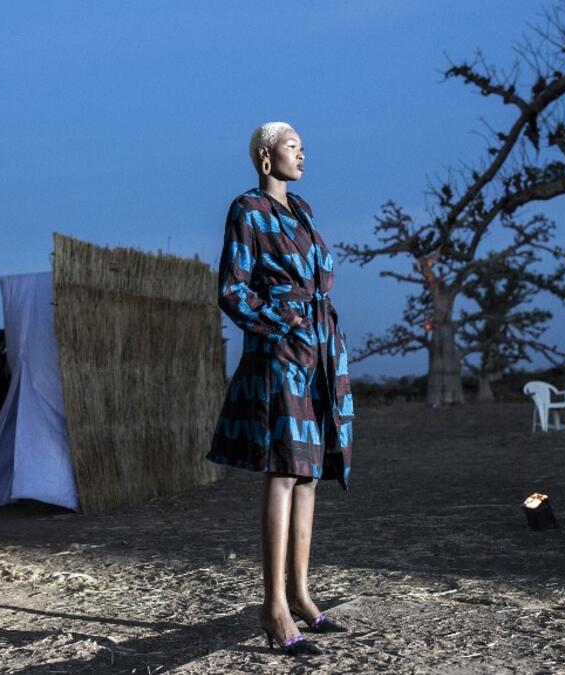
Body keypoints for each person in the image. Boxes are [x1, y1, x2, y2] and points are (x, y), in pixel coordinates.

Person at [207, 122, 354, 656]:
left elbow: (318, 281)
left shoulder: (304, 211)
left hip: (321, 353)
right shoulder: (247, 209)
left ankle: (301, 594)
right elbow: (232, 290)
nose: (302, 153)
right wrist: (283, 323)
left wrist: (317, 331)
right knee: (285, 471)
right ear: (266, 157)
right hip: (282, 353)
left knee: (309, 475)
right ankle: (272, 606)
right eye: (293, 146)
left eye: (303, 147)